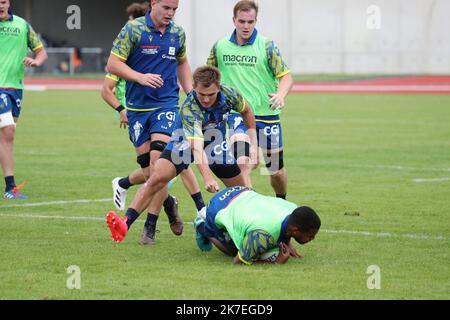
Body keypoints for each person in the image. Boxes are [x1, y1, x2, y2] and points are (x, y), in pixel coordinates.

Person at [105, 65, 257, 244]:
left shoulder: (230, 94)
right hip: (184, 142)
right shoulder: (190, 108)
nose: (206, 99)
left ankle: (251, 230)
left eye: (211, 94)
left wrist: (253, 142)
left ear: (219, 87)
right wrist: (207, 178)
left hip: (216, 143)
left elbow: (246, 111)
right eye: (202, 94)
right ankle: (125, 223)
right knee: (157, 177)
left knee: (242, 192)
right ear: (193, 87)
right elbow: (197, 148)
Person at [105, 0, 200, 244]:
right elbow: (113, 64)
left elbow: (182, 62)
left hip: (167, 105)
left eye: (175, 9)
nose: (171, 13)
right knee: (151, 174)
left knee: (159, 165)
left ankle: (149, 227)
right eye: (166, 8)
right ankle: (169, 204)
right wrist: (140, 77)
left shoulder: (177, 33)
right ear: (153, 3)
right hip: (137, 111)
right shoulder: (133, 30)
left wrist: (190, 93)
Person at [207, 0, 294, 197]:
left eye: (250, 22)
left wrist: (280, 94)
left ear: (256, 21)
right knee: (244, 162)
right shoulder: (220, 47)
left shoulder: (266, 45)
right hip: (237, 114)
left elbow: (286, 77)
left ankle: (281, 199)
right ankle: (248, 208)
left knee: (276, 171)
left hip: (266, 114)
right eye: (242, 21)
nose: (246, 26)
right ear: (234, 20)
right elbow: (209, 76)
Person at [194, 186, 321, 265]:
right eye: (310, 236)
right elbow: (237, 261)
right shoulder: (262, 236)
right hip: (220, 205)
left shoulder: (293, 209)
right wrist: (276, 263)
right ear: (295, 231)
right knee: (234, 251)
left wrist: (288, 243)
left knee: (250, 247)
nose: (312, 239)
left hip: (243, 192)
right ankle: (202, 226)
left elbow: (287, 226)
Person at [0, 0, 48, 199]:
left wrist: (36, 61)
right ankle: (10, 186)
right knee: (8, 131)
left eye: (2, 1)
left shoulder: (22, 25)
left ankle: (10, 187)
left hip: (16, 88)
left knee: (6, 137)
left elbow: (41, 51)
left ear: (8, 3)